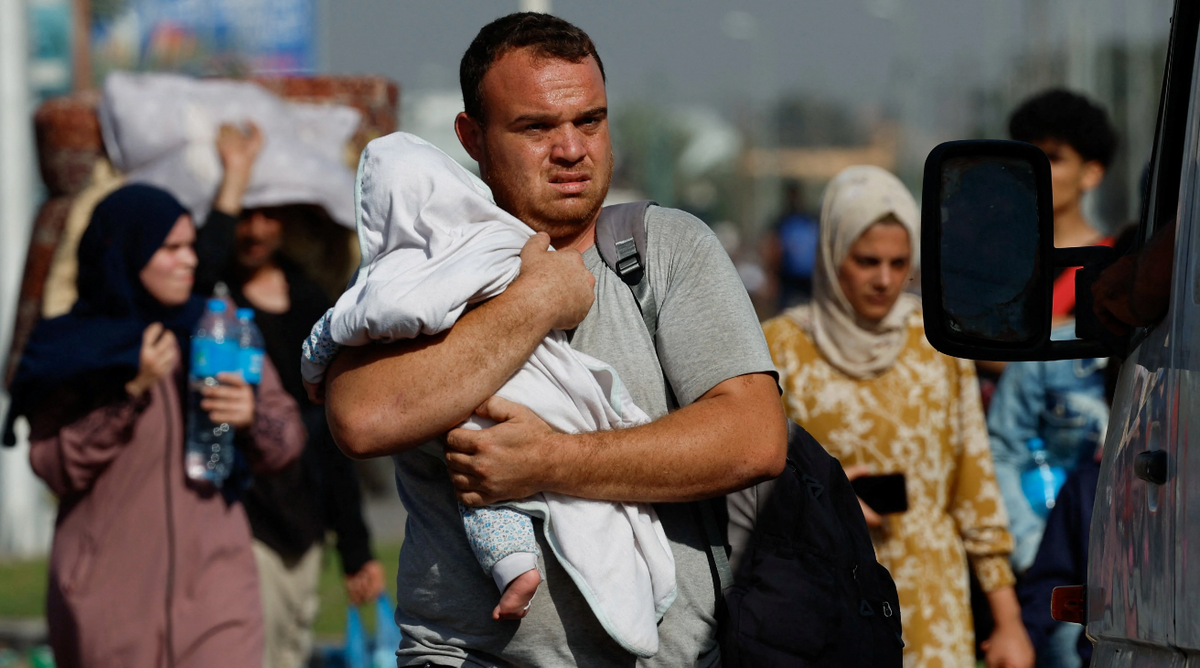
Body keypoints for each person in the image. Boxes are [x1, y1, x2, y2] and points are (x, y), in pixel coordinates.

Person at [311, 12, 788, 667]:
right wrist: (536, 301)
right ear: (471, 137)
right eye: (537, 127)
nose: (572, 149)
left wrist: (550, 462)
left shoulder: (668, 250)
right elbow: (362, 418)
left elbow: (753, 437)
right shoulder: (421, 272)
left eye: (589, 120)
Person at [9, 185, 305, 668]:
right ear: (127, 250)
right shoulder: (73, 346)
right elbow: (54, 465)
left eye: (191, 245)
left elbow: (287, 437)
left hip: (218, 594)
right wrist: (129, 393)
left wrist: (250, 418)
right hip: (106, 601)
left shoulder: (219, 327)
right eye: (171, 249)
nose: (190, 260)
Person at [759, 165, 1034, 668]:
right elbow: (750, 474)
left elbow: (975, 489)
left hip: (932, 600)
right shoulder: (779, 348)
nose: (885, 280)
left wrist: (1009, 619)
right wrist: (825, 508)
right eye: (866, 261)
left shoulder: (939, 342)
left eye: (899, 262)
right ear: (832, 252)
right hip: (822, 596)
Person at [195, 122, 386, 668]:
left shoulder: (311, 306)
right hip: (238, 518)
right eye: (244, 214)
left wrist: (355, 550)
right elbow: (202, 267)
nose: (254, 229)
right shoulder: (213, 298)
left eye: (268, 213)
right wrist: (236, 173)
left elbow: (332, 431)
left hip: (302, 526)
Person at [1008, 89, 1119, 324]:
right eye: (1025, 155)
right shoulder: (998, 256)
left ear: (1091, 173)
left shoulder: (1115, 265)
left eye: (1053, 158)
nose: (1034, 168)